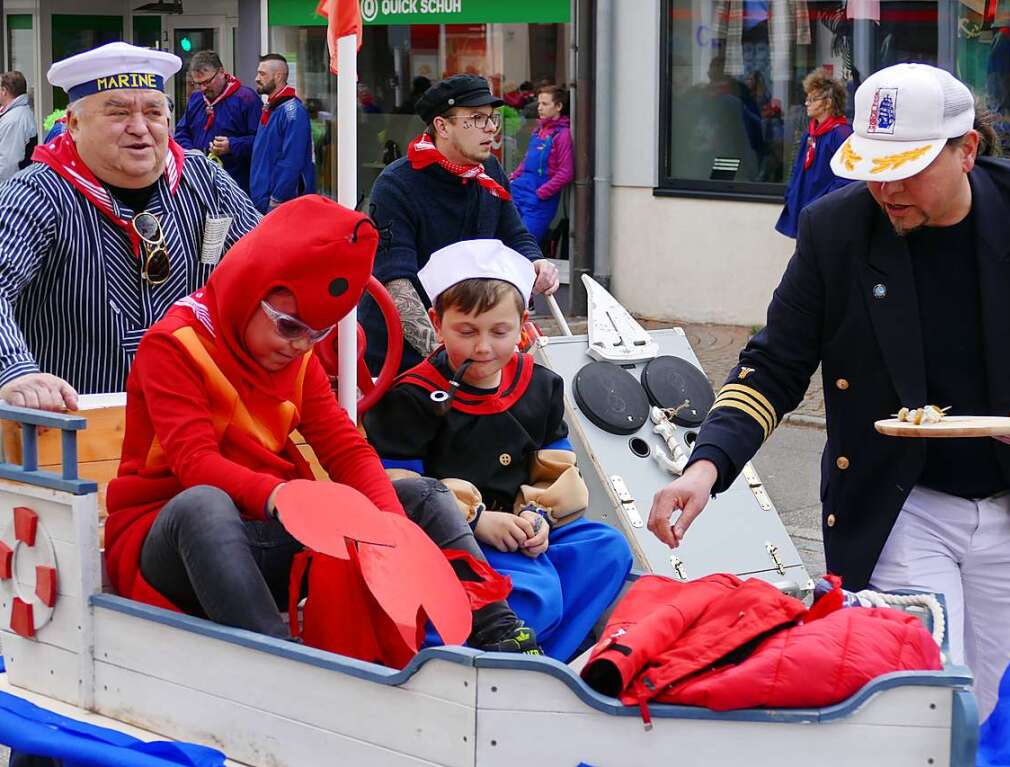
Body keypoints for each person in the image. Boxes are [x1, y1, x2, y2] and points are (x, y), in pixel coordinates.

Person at [646, 63, 1010, 721]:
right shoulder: (836, 230)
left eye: (906, 167)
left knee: (1009, 703)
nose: (884, 187)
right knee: (927, 699)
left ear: (966, 150)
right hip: (905, 501)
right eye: (873, 166)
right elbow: (773, 365)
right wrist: (704, 467)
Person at [104, 198, 539, 655]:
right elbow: (195, 464)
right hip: (173, 542)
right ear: (251, 290)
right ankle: (281, 665)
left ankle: (501, 633)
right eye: (291, 327)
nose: (303, 345)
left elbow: (345, 449)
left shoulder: (299, 348)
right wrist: (283, 497)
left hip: (269, 529)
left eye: (319, 333)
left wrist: (392, 525)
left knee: (422, 497)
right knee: (204, 505)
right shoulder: (174, 347)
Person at [364, 239, 633, 661]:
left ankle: (548, 657)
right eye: (466, 332)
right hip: (451, 542)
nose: (484, 347)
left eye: (499, 332)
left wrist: (538, 516)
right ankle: (497, 656)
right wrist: (476, 519)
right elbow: (400, 484)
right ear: (437, 322)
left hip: (523, 531)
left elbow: (556, 463)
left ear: (523, 323)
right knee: (538, 592)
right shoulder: (413, 396)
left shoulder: (540, 385)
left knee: (606, 549)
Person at [0, 42, 260, 411]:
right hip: (73, 430)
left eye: (154, 112)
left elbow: (266, 265)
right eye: (118, 112)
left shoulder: (204, 179)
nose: (140, 128)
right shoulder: (37, 193)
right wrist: (15, 371)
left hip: (195, 419)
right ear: (73, 124)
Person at [359, 74, 559, 375]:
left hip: (469, 344)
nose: (491, 128)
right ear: (442, 126)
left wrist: (537, 261)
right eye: (477, 118)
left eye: (492, 118)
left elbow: (513, 233)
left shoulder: (488, 171)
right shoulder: (397, 184)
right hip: (398, 359)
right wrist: (442, 356)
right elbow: (396, 284)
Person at [775, 68, 853, 238]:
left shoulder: (841, 134)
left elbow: (848, 178)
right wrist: (791, 194)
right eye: (807, 98)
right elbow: (797, 168)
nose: (806, 103)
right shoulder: (810, 133)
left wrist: (824, 202)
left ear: (828, 102)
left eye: (813, 99)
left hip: (826, 214)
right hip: (805, 210)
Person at [173, 50, 261, 194]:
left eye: (207, 82)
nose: (202, 88)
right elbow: (182, 133)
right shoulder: (196, 99)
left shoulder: (247, 99)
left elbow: (261, 142)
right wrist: (192, 152)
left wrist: (232, 145)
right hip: (200, 182)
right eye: (197, 84)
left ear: (221, 72)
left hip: (236, 184)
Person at [250, 53, 316, 214]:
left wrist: (277, 198)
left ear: (278, 76)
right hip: (263, 200)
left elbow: (292, 160)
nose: (256, 78)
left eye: (262, 74)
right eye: (258, 73)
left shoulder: (292, 111)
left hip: (280, 204)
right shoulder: (272, 108)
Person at [509, 85, 574, 243]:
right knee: (505, 242)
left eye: (545, 104)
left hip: (538, 201)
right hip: (518, 192)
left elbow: (566, 172)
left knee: (525, 245)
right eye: (539, 103)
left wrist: (541, 193)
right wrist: (512, 179)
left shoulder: (562, 134)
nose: (539, 108)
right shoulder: (538, 130)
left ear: (558, 107)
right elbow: (526, 161)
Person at [0, 71, 36, 184]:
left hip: (9, 189)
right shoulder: (15, 114)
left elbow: (9, 164)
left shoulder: (14, 120)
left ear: (4, 91)